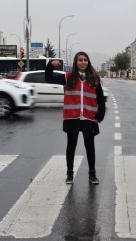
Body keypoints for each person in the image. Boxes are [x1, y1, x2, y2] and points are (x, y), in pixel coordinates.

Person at [45, 51, 106, 185]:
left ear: (88, 62)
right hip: (72, 117)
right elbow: (49, 78)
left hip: (89, 118)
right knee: (71, 146)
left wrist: (100, 115)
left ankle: (92, 174)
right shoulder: (68, 77)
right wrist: (50, 65)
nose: (83, 62)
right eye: (80, 60)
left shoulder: (94, 78)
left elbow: (100, 99)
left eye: (85, 60)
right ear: (75, 62)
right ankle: (70, 174)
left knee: (90, 147)